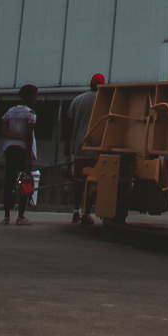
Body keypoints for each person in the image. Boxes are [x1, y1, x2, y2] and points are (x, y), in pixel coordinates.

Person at [65, 72, 106, 226]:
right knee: (92, 181)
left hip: (78, 146)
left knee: (78, 180)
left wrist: (68, 145)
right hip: (96, 148)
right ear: (101, 85)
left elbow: (68, 122)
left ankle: (76, 210)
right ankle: (87, 212)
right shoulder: (104, 100)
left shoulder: (78, 100)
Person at [0, 83, 38, 225]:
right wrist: (28, 156)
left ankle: (6, 215)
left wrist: (15, 136)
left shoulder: (9, 112)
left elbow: (4, 131)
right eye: (34, 95)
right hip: (23, 150)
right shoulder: (30, 113)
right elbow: (28, 136)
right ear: (28, 96)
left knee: (9, 181)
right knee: (25, 181)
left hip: (9, 148)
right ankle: (21, 215)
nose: (36, 98)